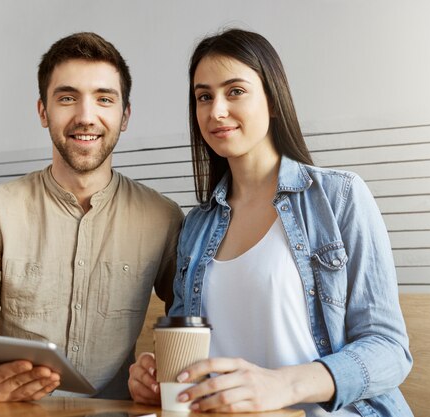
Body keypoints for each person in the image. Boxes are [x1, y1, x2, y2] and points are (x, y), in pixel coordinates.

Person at [128, 28, 413, 416]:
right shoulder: (195, 227)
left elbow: (389, 350)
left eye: (235, 91)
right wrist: (159, 380)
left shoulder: (340, 197)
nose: (216, 111)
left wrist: (284, 384)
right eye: (204, 97)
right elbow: (188, 363)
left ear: (273, 101)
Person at [0, 32, 184, 403]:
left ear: (124, 115)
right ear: (43, 112)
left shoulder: (164, 217)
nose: (85, 117)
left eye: (104, 99)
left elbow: (194, 318)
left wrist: (161, 369)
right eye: (67, 98)